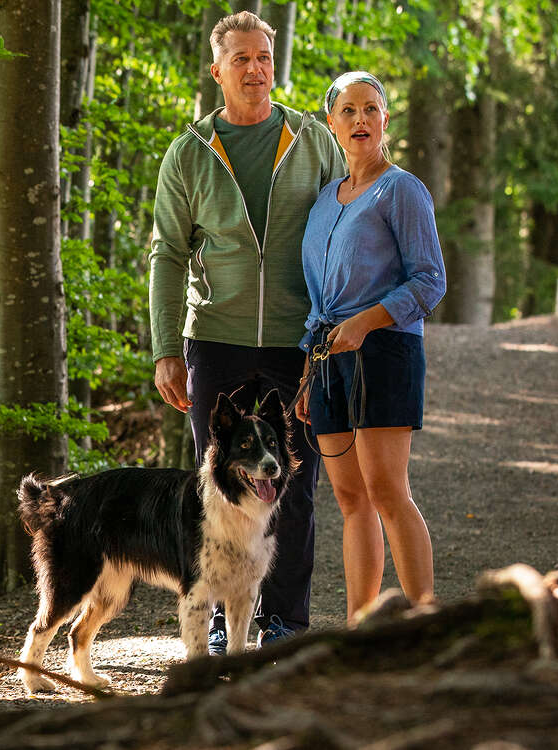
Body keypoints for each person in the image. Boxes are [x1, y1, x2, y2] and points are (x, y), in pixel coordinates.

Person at [149, 11, 346, 652]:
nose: (257, 70)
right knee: (216, 490)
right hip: (216, 335)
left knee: (296, 483)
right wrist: (165, 349)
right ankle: (206, 618)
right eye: (243, 59)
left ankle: (284, 625)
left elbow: (346, 228)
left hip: (298, 338)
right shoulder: (189, 152)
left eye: (265, 57)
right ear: (217, 71)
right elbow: (168, 254)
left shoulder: (312, 140)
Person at [296, 71, 446, 625]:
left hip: (384, 351)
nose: (361, 119)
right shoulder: (322, 202)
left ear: (386, 120)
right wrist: (310, 372)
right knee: (351, 500)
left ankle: (424, 624)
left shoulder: (401, 188)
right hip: (328, 356)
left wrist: (366, 323)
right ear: (332, 124)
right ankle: (362, 630)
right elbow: (318, 298)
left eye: (372, 109)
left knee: (387, 491)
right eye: (349, 111)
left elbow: (429, 280)